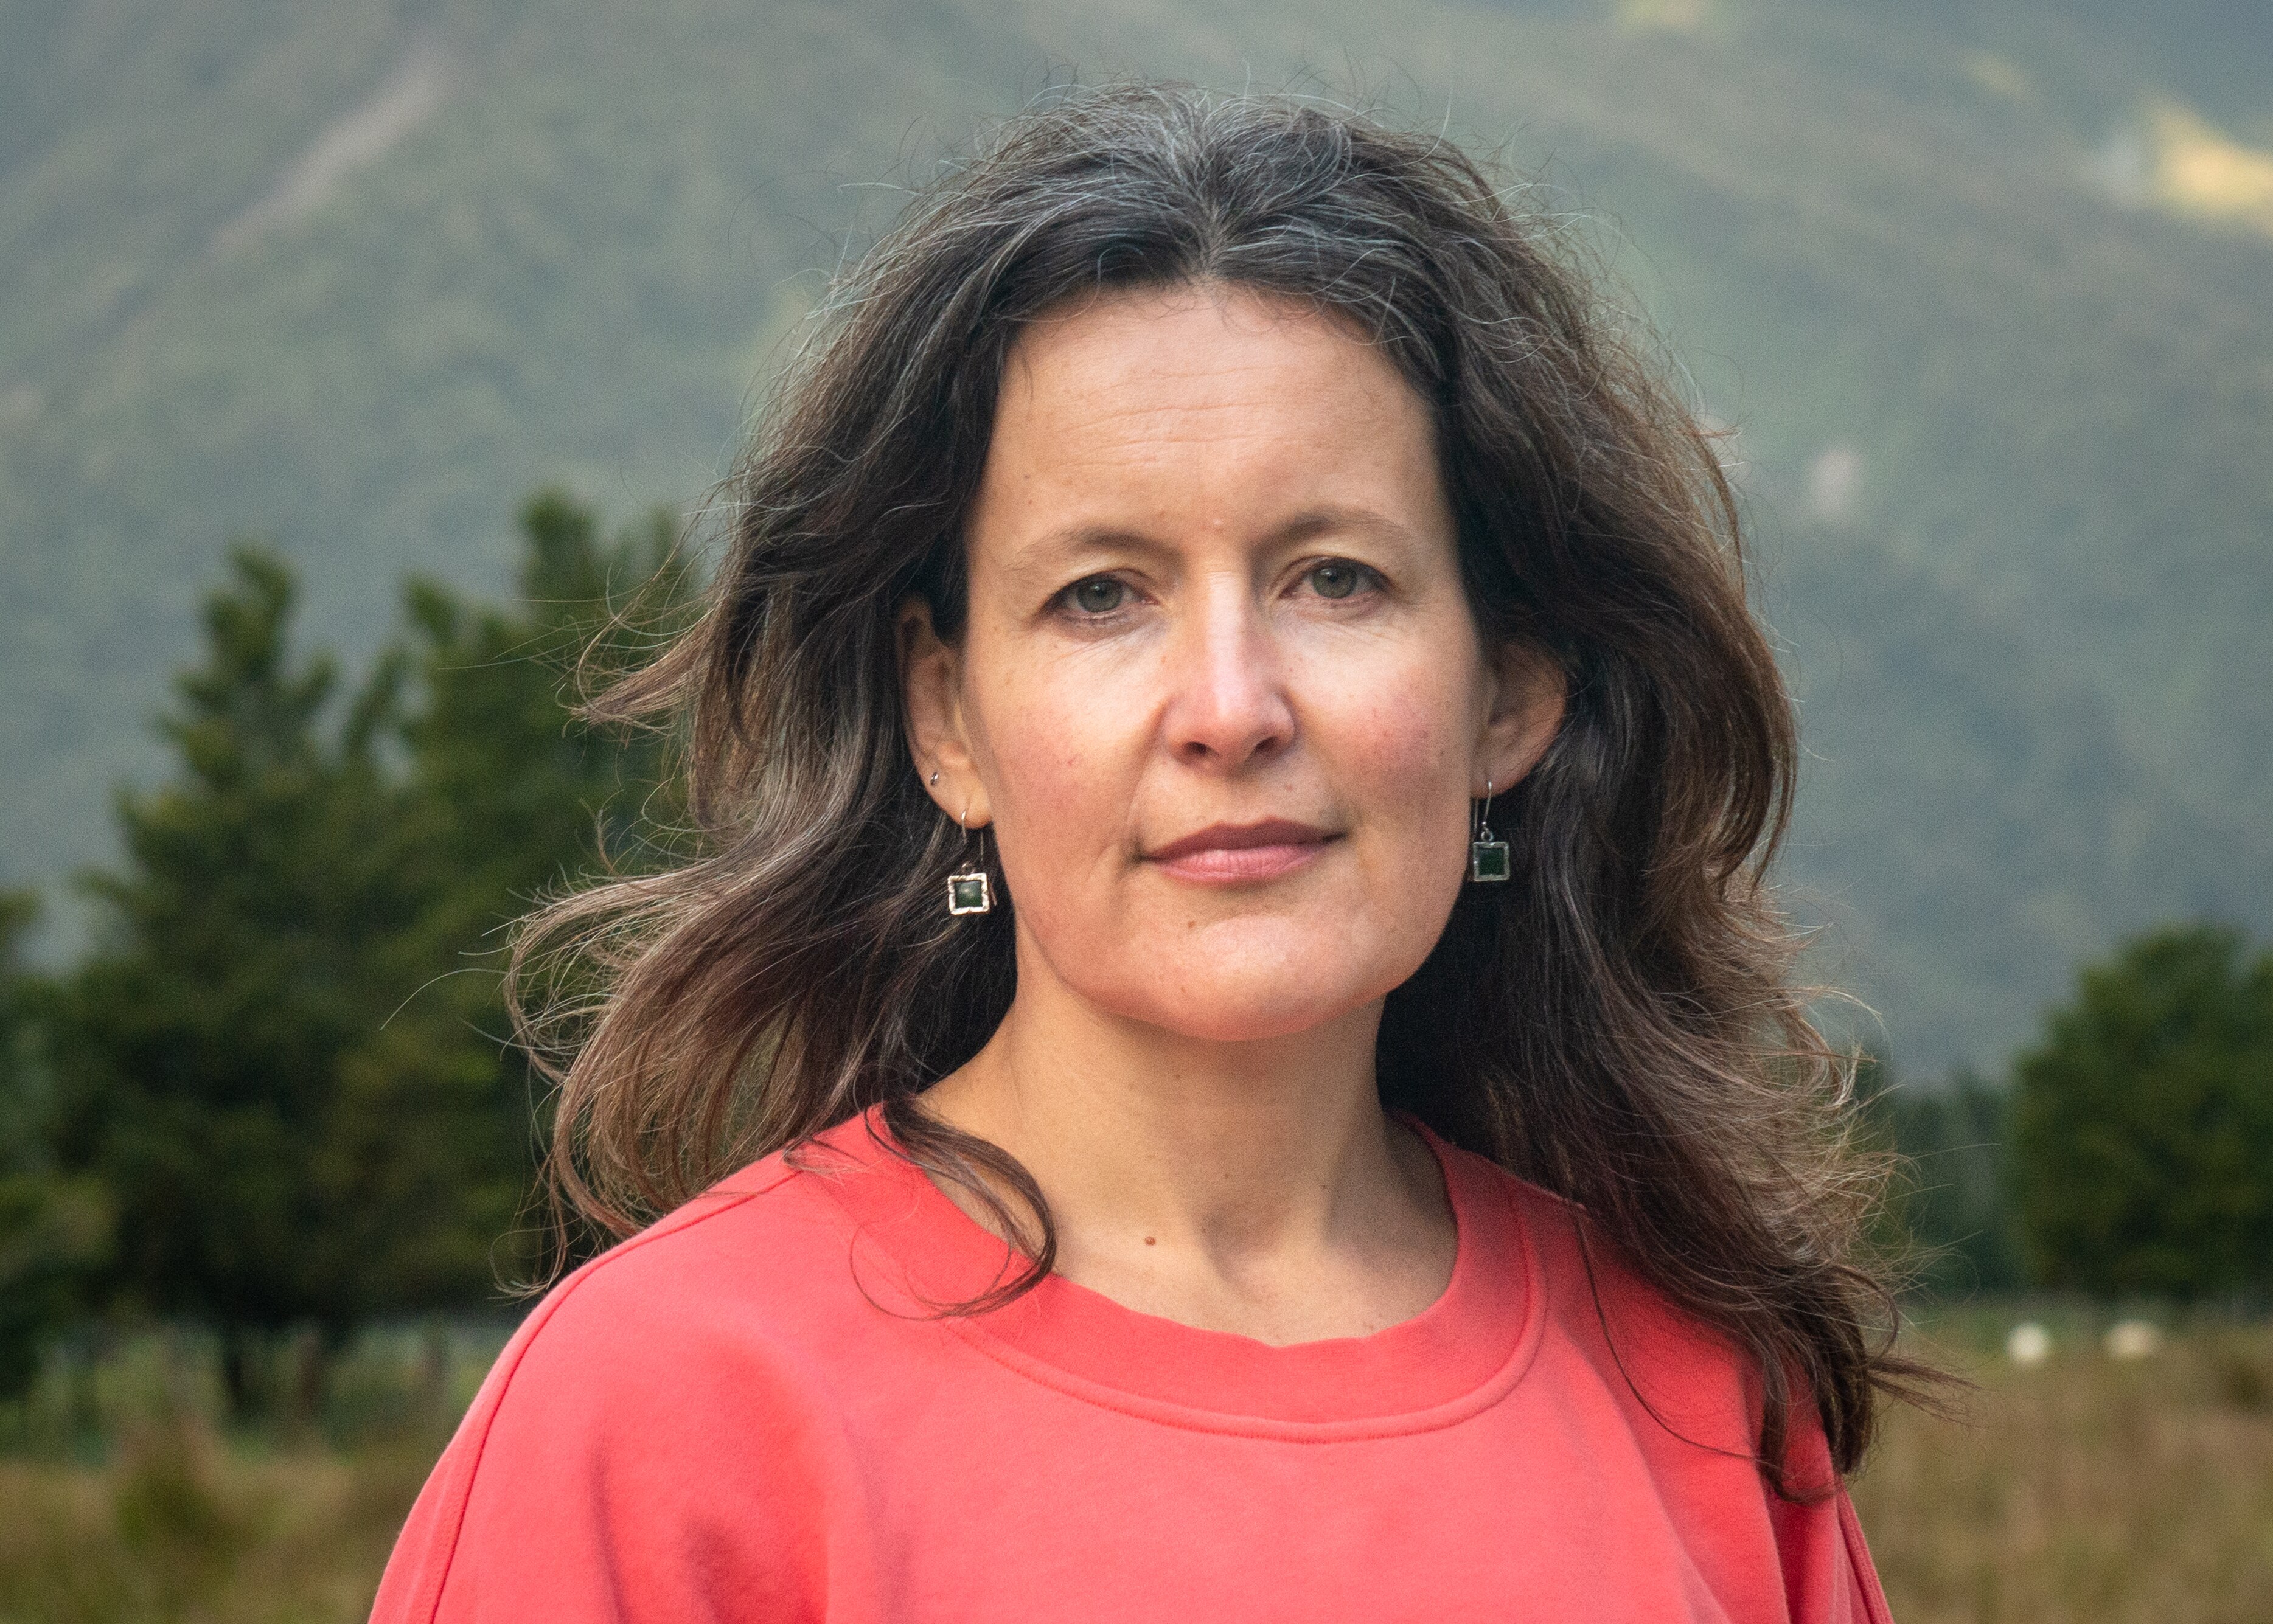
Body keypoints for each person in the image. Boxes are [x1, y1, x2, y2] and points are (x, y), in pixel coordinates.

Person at [372, 85, 1922, 1623]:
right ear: (945, 719)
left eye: (1334, 578)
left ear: (1507, 690)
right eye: (1101, 595)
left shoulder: (1703, 1397)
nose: (1230, 709)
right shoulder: (658, 1419)